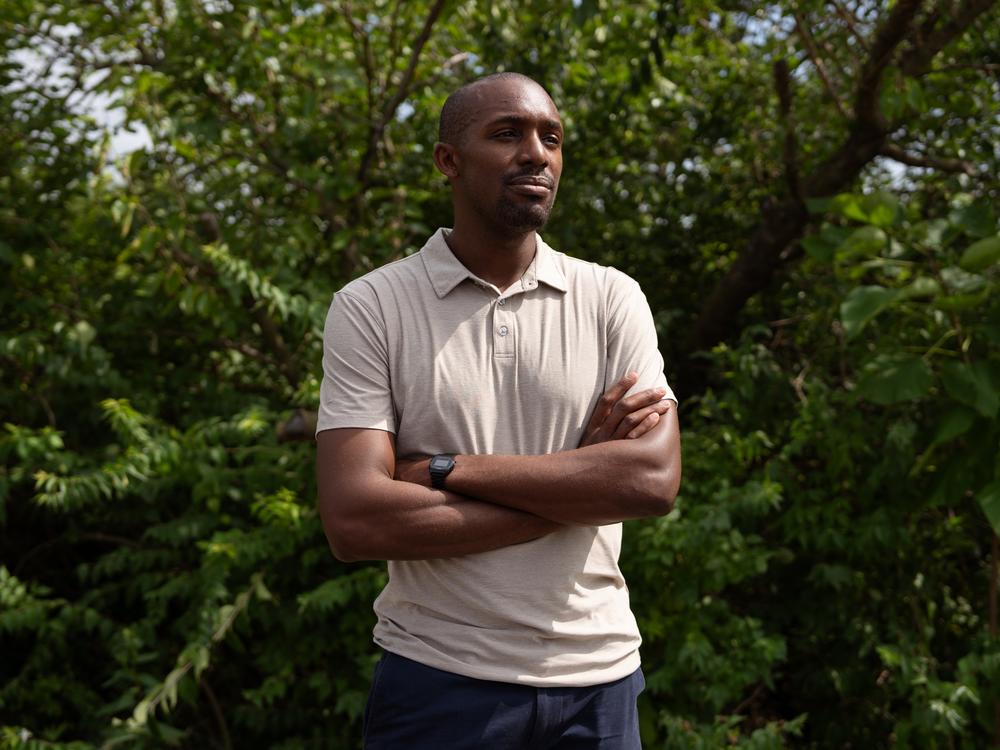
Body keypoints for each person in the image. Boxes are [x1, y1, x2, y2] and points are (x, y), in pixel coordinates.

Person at [315, 72, 681, 749]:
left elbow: (650, 483)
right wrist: (579, 486)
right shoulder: (371, 307)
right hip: (438, 680)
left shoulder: (611, 299)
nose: (536, 153)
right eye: (507, 134)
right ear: (448, 161)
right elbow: (354, 520)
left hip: (599, 685)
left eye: (551, 138)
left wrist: (447, 470)